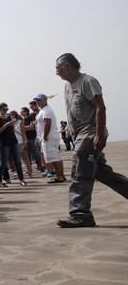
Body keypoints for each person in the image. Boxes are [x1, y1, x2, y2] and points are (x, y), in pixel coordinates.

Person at [55, 53, 128, 227]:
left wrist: (99, 134)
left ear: (68, 66)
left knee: (79, 167)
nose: (56, 72)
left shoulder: (87, 81)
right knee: (101, 173)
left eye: (58, 68)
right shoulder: (67, 86)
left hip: (91, 132)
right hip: (79, 134)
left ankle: (81, 213)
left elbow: (100, 108)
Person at [34, 94, 66, 183]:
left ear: (45, 100)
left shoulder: (46, 110)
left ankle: (59, 176)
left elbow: (47, 123)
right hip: (50, 136)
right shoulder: (43, 110)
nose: (37, 102)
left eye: (39, 100)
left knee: (54, 157)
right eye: (36, 101)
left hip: (49, 137)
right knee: (54, 157)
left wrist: (45, 135)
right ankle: (61, 176)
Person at [0, 103, 26, 187]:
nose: (6, 111)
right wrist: (6, 125)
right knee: (3, 162)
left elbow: (16, 124)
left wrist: (13, 123)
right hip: (4, 142)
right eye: (4, 109)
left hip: (13, 140)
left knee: (18, 161)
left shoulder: (8, 116)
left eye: (7, 109)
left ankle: (21, 179)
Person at [21, 106, 44, 173]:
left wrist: (21, 128)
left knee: (36, 153)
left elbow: (32, 127)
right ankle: (30, 169)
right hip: (26, 138)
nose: (21, 113)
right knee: (28, 155)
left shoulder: (30, 117)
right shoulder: (23, 119)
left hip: (32, 138)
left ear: (25, 112)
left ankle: (40, 166)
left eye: (22, 111)